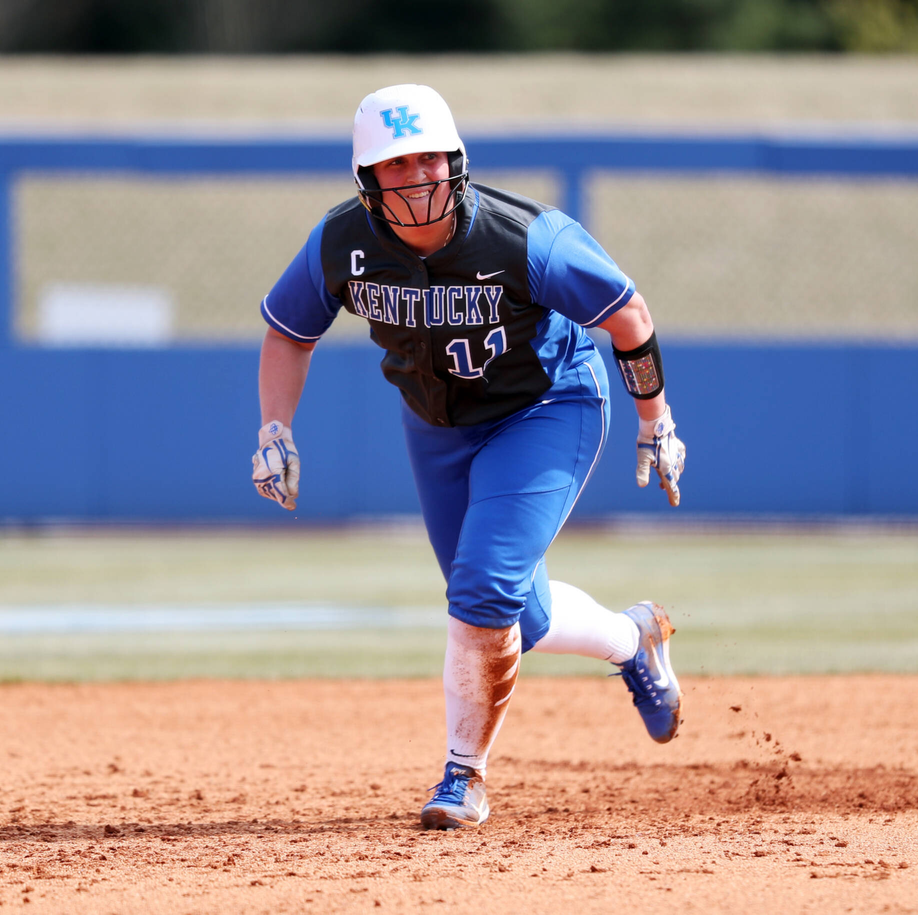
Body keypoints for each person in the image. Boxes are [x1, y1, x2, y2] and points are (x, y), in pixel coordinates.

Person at [250, 84, 687, 830]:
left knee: (482, 591)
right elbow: (291, 330)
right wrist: (274, 427)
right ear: (366, 181)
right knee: (524, 613)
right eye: (396, 165)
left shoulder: (524, 237)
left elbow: (628, 315)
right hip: (438, 423)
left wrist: (656, 418)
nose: (417, 178)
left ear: (456, 160)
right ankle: (633, 637)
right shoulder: (342, 243)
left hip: (546, 406)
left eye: (429, 159)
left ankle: (464, 775)